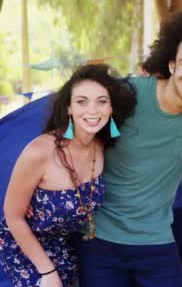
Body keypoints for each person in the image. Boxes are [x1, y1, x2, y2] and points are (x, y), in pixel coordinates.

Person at [77, 6, 182, 287]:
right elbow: (75, 119)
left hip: (156, 241)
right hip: (100, 240)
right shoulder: (127, 95)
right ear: (171, 64)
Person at [0, 64, 136, 287]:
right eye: (82, 101)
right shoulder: (40, 151)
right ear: (69, 108)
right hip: (24, 247)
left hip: (67, 245)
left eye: (101, 101)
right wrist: (47, 272)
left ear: (111, 108)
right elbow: (12, 216)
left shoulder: (101, 145)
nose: (92, 110)